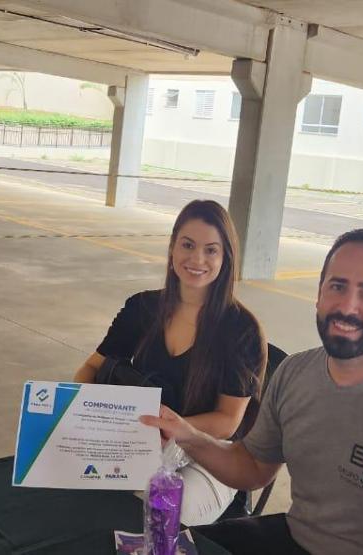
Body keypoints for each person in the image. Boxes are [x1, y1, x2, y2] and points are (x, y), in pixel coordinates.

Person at [141, 228, 363, 555]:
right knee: (162, 545)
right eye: (337, 286)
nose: (347, 307)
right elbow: (254, 467)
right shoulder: (295, 373)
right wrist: (187, 435)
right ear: (319, 294)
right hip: (297, 537)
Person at [73, 199, 267, 525]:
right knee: (85, 496)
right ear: (173, 247)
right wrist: (83, 411)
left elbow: (228, 420)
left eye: (211, 250)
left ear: (226, 257)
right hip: (143, 440)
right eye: (188, 245)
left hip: (211, 454)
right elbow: (91, 368)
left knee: (160, 513)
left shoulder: (240, 329)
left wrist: (173, 429)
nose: (197, 259)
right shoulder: (142, 308)